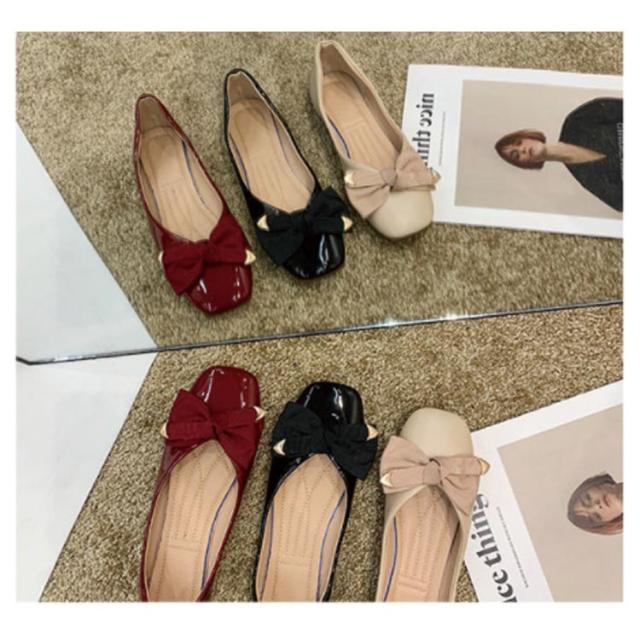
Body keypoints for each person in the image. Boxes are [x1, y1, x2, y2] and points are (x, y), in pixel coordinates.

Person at [495, 98, 622, 212]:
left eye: (519, 142)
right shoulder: (586, 176)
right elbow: (621, 203)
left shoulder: (578, 121)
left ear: (531, 136)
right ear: (527, 163)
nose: (522, 149)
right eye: (516, 155)